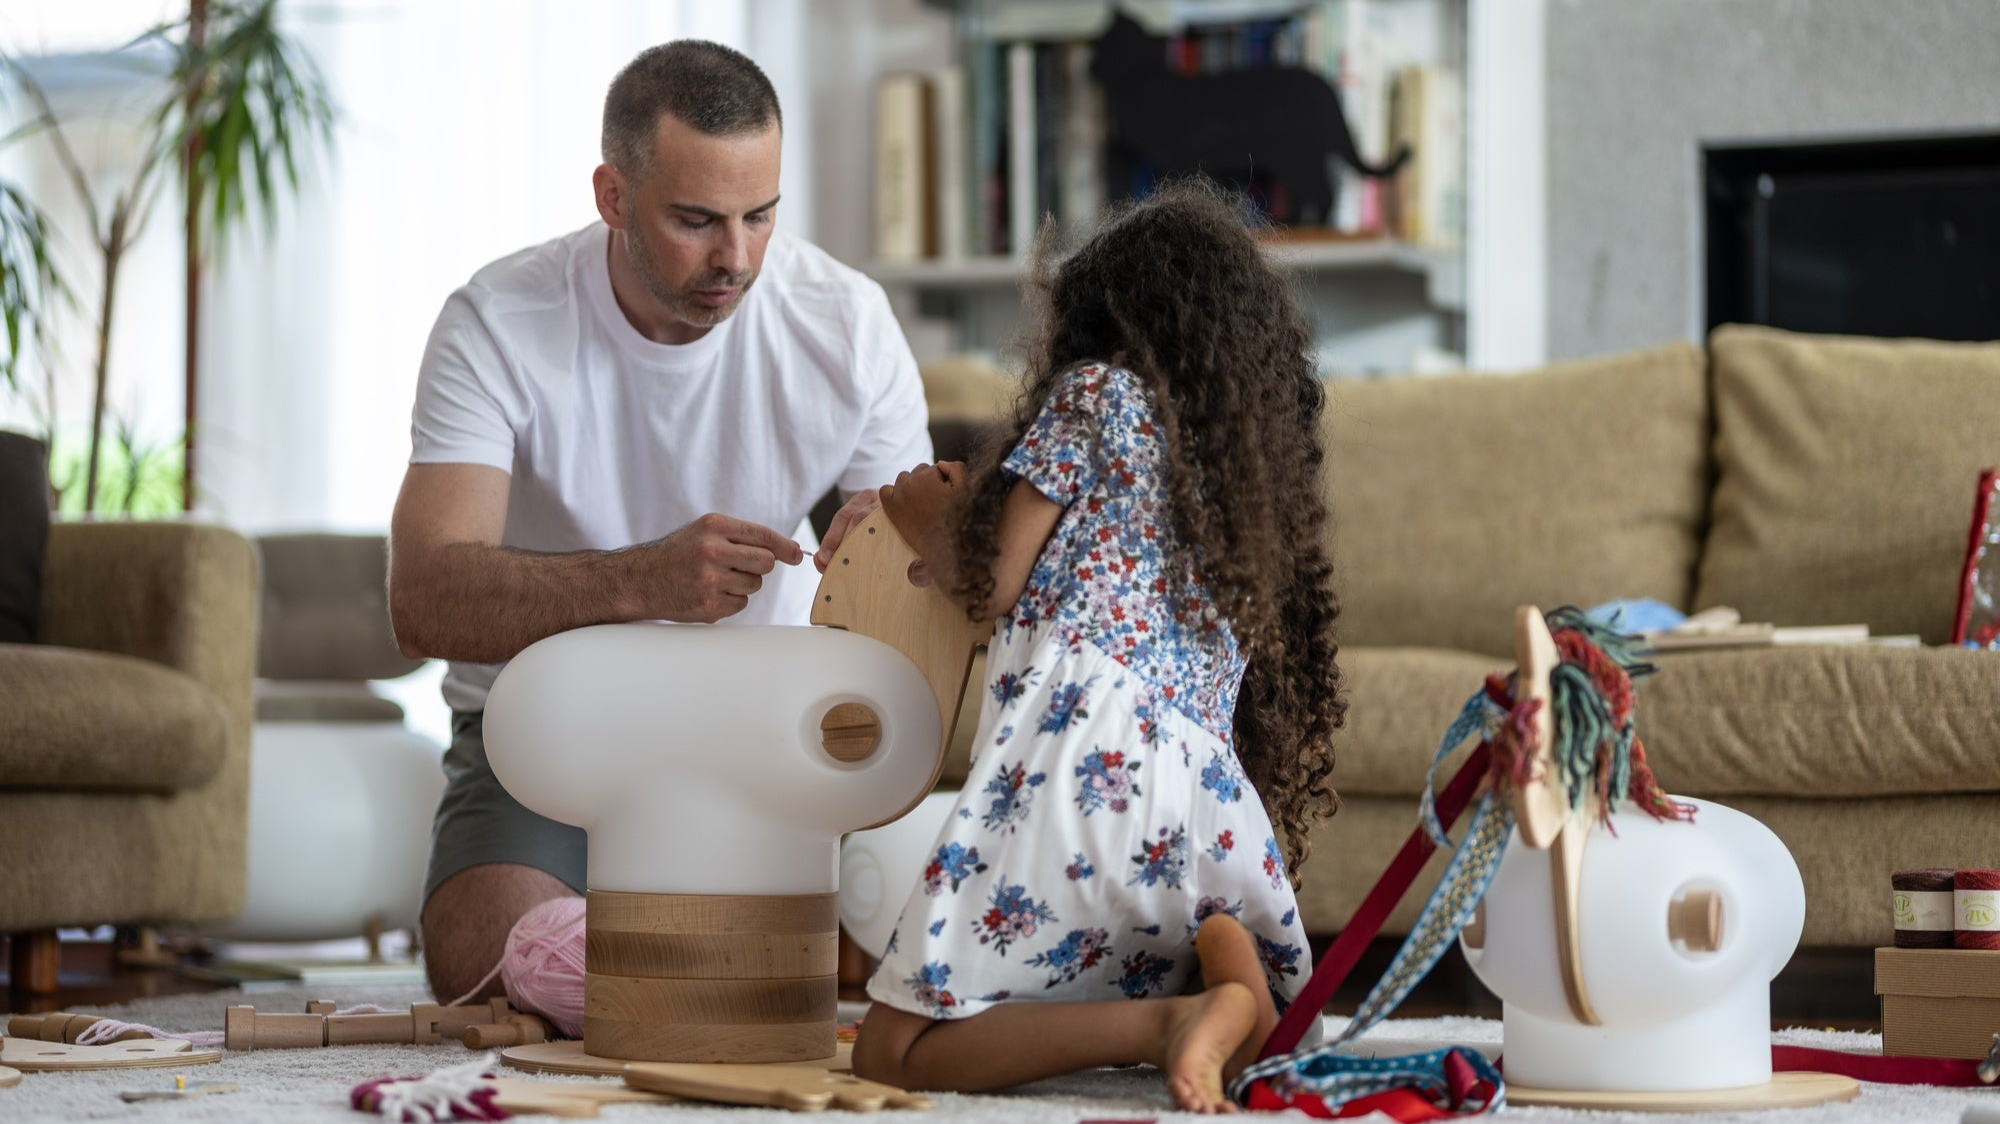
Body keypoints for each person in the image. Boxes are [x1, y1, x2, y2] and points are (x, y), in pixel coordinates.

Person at [388, 40, 931, 1006]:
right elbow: (423, 598)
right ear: (611, 196)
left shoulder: (845, 323)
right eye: (695, 221)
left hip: (766, 729)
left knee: (939, 929)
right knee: (488, 964)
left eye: (760, 215)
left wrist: (890, 561)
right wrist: (638, 581)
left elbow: (925, 597)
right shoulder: (497, 322)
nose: (737, 257)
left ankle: (708, 955)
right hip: (545, 726)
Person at [851, 181, 1346, 1114]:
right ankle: (1231, 989)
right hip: (1204, 802)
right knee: (1165, 938)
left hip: (1086, 768)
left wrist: (928, 521)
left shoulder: (1096, 394)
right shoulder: (1244, 478)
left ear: (1103, 315)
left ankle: (1162, 1028)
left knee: (892, 1047)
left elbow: (989, 582)